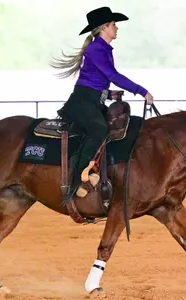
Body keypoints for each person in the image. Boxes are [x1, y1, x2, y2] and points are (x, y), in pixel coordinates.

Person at [50, 6, 154, 202]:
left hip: (92, 100)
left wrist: (108, 94)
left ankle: (99, 172)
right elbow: (112, 75)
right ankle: (75, 182)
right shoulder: (97, 48)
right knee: (98, 129)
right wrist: (142, 91)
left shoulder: (102, 48)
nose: (117, 28)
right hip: (82, 102)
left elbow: (98, 81)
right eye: (114, 24)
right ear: (104, 27)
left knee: (112, 127)